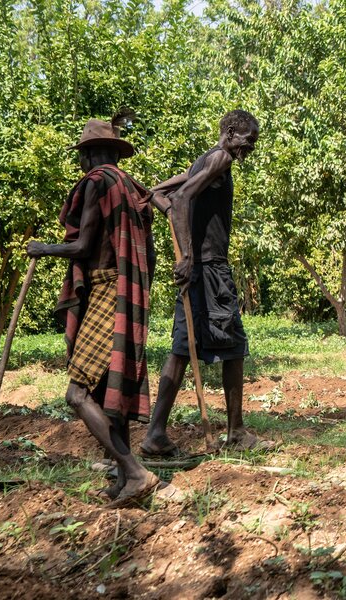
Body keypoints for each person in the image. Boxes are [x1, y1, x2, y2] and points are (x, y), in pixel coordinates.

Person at [27, 113, 160, 505]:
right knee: (106, 389)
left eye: (83, 156)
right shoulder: (132, 189)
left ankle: (135, 473)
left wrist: (44, 248)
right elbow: (146, 253)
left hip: (106, 291)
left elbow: (83, 247)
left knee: (78, 393)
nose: (82, 165)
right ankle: (123, 478)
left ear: (90, 154)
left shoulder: (97, 183)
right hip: (128, 291)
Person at [140, 110, 277, 456]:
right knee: (233, 346)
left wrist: (155, 196)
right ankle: (236, 432)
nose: (251, 148)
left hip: (200, 270)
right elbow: (183, 198)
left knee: (184, 348)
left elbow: (168, 193)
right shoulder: (219, 159)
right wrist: (187, 256)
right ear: (231, 132)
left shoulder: (205, 160)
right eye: (249, 140)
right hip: (209, 269)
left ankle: (156, 433)